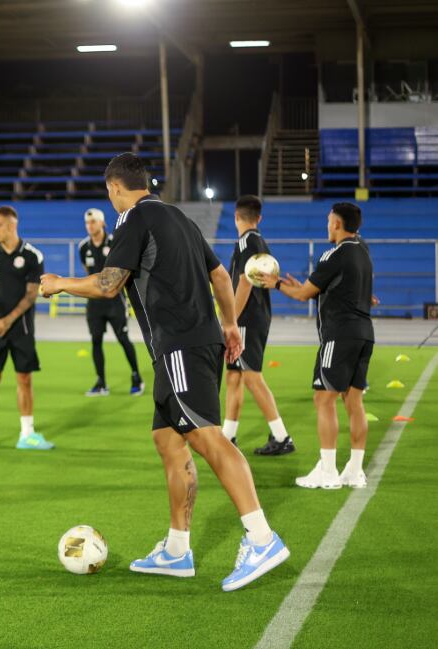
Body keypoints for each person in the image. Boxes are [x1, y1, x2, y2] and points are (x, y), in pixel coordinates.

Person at [40, 153, 287, 592]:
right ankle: (176, 550)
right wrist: (230, 326)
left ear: (115, 189)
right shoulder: (180, 217)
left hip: (179, 344)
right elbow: (222, 279)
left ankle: (262, 539)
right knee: (167, 438)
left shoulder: (132, 218)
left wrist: (58, 283)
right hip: (194, 341)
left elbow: (108, 284)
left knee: (207, 436)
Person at [261, 202, 373, 489]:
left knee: (324, 399)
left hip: (339, 335)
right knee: (354, 401)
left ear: (337, 223)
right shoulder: (363, 250)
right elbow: (343, 292)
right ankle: (355, 471)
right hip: (364, 333)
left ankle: (327, 471)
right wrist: (306, 288)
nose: (327, 225)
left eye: (328, 221)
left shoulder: (334, 254)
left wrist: (275, 284)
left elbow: (301, 295)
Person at [0, 206, 54, 451]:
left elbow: (30, 296)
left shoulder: (33, 256)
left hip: (21, 327)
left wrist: (8, 320)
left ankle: (27, 434)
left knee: (24, 379)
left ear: (12, 226)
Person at [223, 196, 292, 455]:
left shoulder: (246, 242)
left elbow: (244, 282)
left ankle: (282, 436)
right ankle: (228, 435)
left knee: (251, 376)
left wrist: (230, 320)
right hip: (256, 315)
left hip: (246, 319)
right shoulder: (260, 241)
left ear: (236, 216)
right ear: (259, 218)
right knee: (234, 375)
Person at [78, 207, 143, 397]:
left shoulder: (115, 242)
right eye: (87, 223)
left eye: (93, 222)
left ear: (102, 223)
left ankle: (136, 377)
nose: (90, 226)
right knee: (95, 341)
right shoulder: (83, 247)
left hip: (115, 301)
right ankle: (101, 383)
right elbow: (87, 273)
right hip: (94, 304)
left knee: (123, 339)